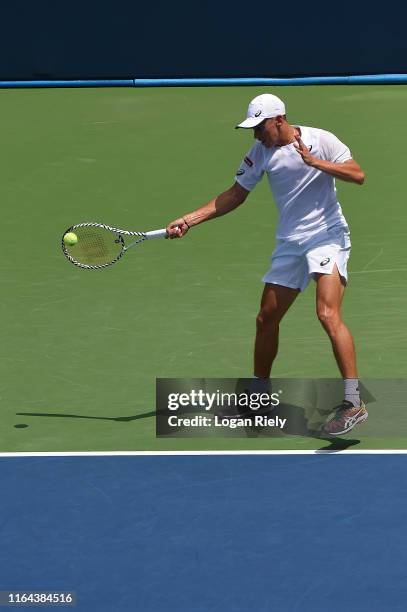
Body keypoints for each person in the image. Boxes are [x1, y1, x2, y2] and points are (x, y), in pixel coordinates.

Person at [166, 93, 368, 436]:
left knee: (327, 313)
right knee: (266, 318)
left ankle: (353, 402)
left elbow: (357, 174)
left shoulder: (321, 139)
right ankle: (259, 395)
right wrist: (190, 219)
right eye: (252, 129)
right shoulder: (259, 153)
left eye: (260, 127)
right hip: (290, 243)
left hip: (327, 236)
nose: (255, 134)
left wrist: (316, 162)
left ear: (279, 120)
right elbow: (235, 194)